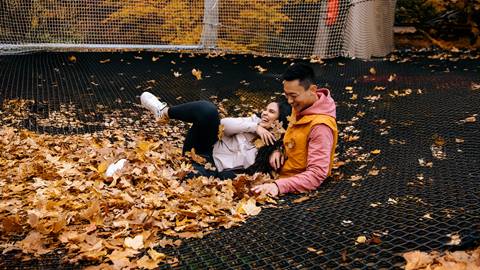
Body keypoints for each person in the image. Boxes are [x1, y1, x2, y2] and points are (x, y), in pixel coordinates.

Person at [140, 92, 292, 179]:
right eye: (265, 109)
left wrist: (278, 149)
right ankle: (164, 111)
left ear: (281, 119)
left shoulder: (275, 148)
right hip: (204, 146)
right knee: (208, 110)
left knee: (189, 177)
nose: (265, 112)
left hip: (213, 169)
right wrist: (255, 127)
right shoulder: (253, 121)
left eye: (271, 112)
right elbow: (224, 125)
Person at [252, 63, 338, 196]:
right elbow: (289, 135)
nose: (290, 101)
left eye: (293, 95)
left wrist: (277, 186)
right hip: (274, 173)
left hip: (292, 187)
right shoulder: (300, 107)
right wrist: (279, 149)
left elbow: (317, 174)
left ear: (313, 90)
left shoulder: (320, 127)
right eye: (286, 95)